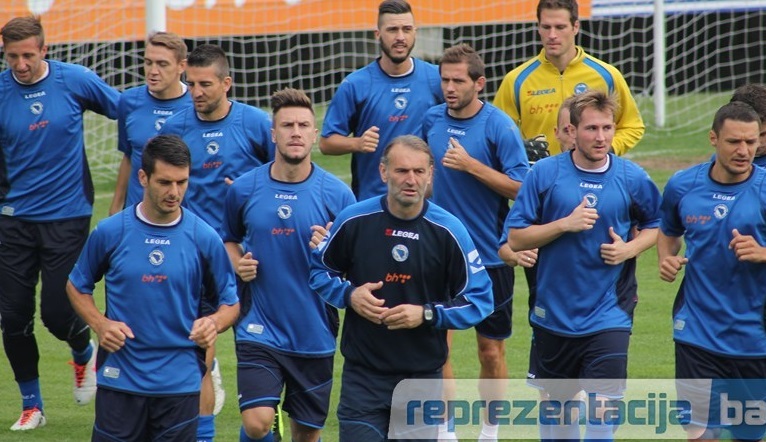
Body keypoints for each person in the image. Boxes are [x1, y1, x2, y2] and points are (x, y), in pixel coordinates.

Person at [309, 135, 494, 442]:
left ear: (431, 174)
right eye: (401, 171)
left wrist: (426, 314)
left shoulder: (449, 230)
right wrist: (349, 295)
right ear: (383, 172)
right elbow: (319, 271)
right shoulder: (354, 220)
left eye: (419, 172)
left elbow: (480, 300)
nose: (411, 180)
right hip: (363, 379)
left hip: (421, 381)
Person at [506, 90, 661, 441]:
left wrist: (629, 249)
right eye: (592, 128)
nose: (601, 137)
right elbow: (516, 238)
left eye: (607, 128)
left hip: (610, 314)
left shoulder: (631, 177)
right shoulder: (544, 174)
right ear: (572, 131)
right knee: (558, 419)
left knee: (602, 413)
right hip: (553, 314)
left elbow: (658, 223)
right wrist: (564, 224)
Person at [66, 134, 240, 442]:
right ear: (143, 177)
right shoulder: (111, 232)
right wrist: (100, 324)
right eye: (165, 182)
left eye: (182, 182)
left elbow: (231, 303)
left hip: (180, 385)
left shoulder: (204, 238)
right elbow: (77, 285)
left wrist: (213, 323)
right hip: (120, 380)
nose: (174, 192)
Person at [0, 16, 120, 431]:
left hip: (67, 217)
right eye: (12, 56)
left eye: (28, 55)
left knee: (55, 312)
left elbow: (125, 110)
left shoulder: (75, 80)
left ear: (44, 50)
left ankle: (82, 352)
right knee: (12, 317)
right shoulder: (0, 91)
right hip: (12, 221)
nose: (20, 64)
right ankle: (32, 404)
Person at [221, 88, 355, 442]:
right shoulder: (245, 188)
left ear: (314, 134)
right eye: (287, 125)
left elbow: (354, 263)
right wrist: (237, 263)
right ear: (273, 133)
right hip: (258, 327)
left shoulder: (338, 195)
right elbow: (228, 239)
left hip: (314, 331)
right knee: (257, 422)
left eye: (303, 125)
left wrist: (329, 250)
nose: (295, 132)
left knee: (307, 434)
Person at [157, 43, 274, 442]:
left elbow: (285, 177)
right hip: (197, 259)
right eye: (191, 84)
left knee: (260, 352)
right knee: (200, 358)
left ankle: (260, 430)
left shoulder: (255, 124)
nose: (196, 91)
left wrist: (250, 192)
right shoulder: (176, 127)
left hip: (250, 260)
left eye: (205, 84)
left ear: (227, 83)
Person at [421, 43, 529, 441]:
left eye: (457, 80)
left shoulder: (499, 126)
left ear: (479, 83)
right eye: (444, 80)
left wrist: (471, 166)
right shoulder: (431, 119)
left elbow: (521, 188)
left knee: (491, 351)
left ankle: (490, 431)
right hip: (438, 255)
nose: (449, 87)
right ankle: (446, 430)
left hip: (490, 259)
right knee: (439, 349)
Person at [658, 101, 766, 442]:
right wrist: (667, 257)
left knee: (748, 434)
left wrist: (764, 253)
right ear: (713, 138)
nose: (744, 150)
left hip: (754, 337)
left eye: (751, 142)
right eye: (734, 141)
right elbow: (668, 230)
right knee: (701, 434)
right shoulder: (682, 185)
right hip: (696, 332)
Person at [319, 0, 442, 200]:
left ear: (415, 32)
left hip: (423, 201)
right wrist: (357, 143)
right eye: (392, 30)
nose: (400, 37)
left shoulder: (435, 78)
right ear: (378, 34)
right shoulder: (355, 84)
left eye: (407, 29)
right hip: (373, 202)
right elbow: (326, 143)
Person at [493, 0, 644, 156]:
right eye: (546, 27)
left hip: (594, 176)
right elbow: (496, 134)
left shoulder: (607, 75)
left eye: (560, 27)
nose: (552, 35)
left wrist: (607, 149)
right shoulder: (516, 80)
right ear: (538, 27)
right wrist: (520, 150)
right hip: (542, 177)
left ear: (575, 27)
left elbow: (632, 126)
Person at [109, 31, 191, 215]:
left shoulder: (196, 105)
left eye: (162, 64)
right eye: (148, 63)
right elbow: (129, 156)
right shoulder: (129, 101)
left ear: (181, 66)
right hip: (136, 214)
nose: (153, 71)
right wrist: (115, 208)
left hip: (181, 216)